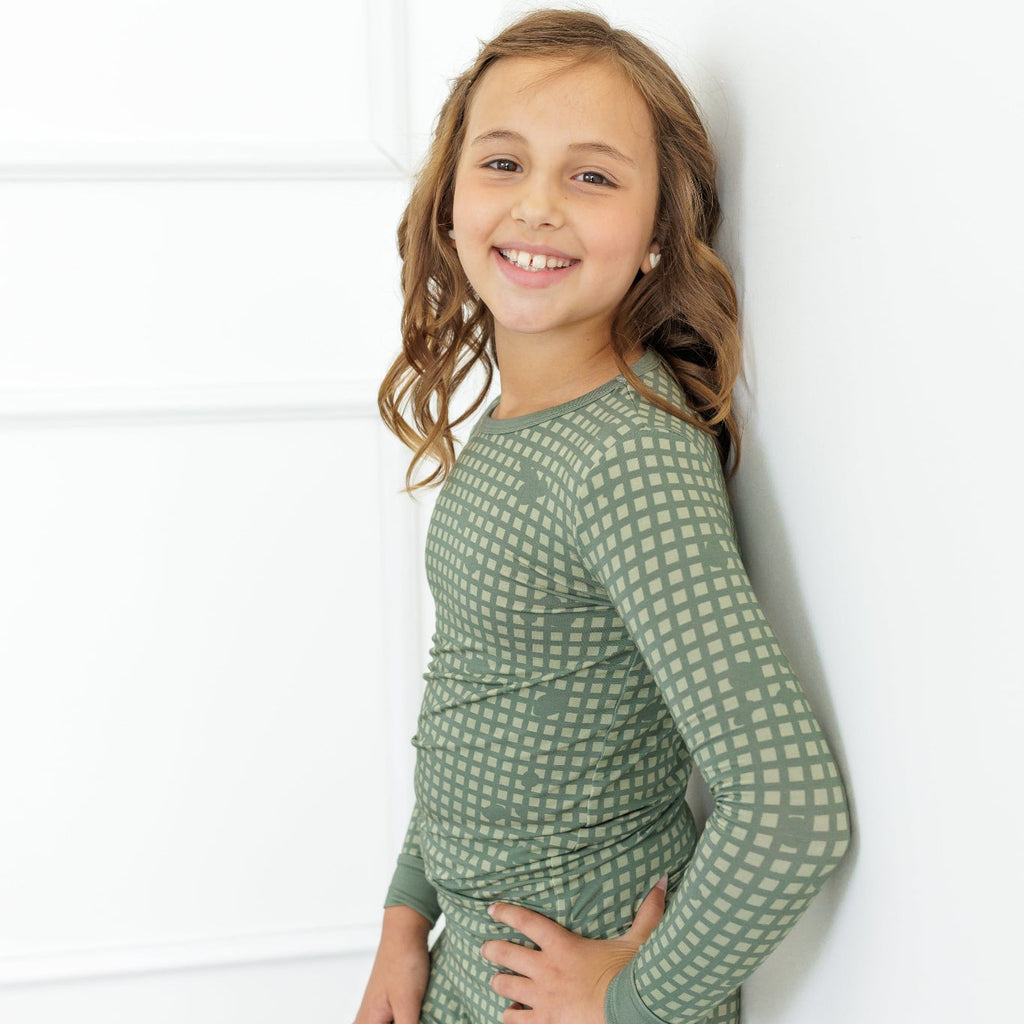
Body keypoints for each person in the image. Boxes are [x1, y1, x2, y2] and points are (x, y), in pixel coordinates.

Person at [356, 9, 851, 1024]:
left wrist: (631, 995)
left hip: (573, 973)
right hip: (472, 956)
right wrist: (406, 920)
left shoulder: (626, 455)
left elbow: (790, 802)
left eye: (591, 176)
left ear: (659, 232)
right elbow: (475, 703)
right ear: (449, 201)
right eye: (502, 162)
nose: (537, 205)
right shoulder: (518, 426)